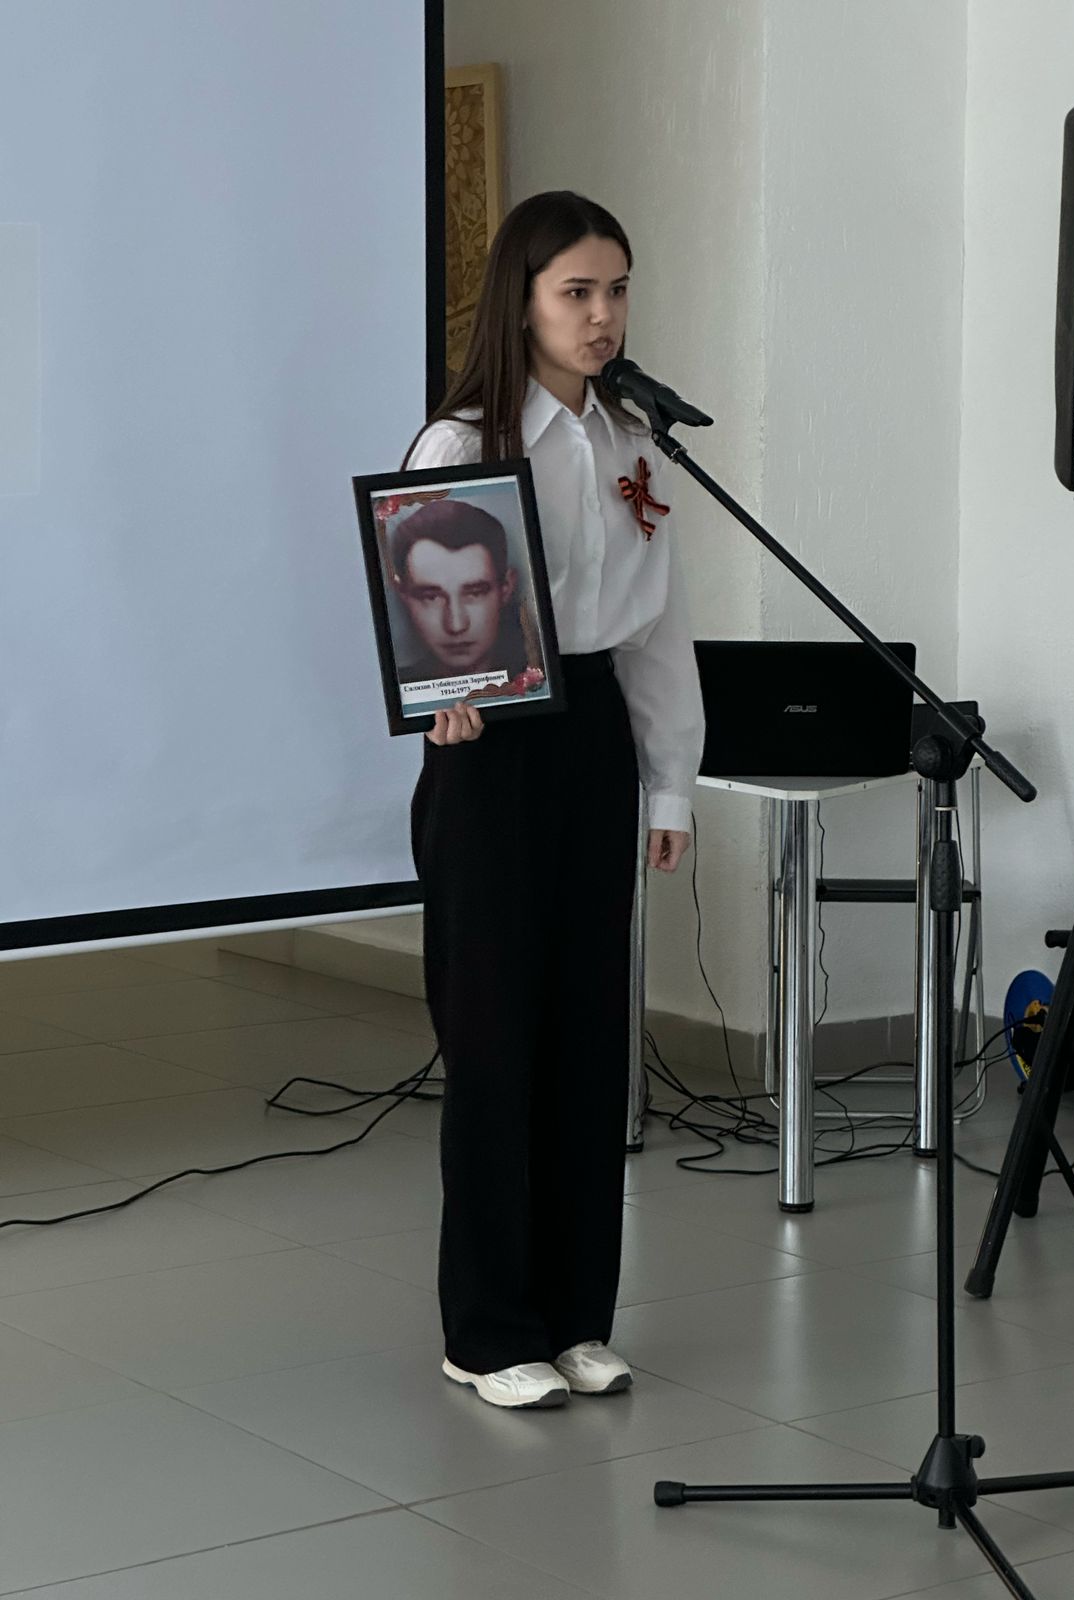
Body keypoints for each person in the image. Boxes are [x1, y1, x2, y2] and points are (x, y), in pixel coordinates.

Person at [404, 190, 705, 1410]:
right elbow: (423, 608)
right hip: (489, 752)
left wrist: (671, 781)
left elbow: (656, 628)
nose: (601, 314)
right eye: (576, 291)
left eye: (616, 289)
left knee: (587, 1036)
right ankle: (487, 1330)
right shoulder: (461, 443)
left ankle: (580, 1316)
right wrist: (444, 692)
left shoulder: (634, 441)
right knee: (495, 1040)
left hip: (591, 742)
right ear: (522, 301)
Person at [387, 498, 528, 687]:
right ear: (403, 594)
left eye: (475, 594)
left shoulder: (539, 679)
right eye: (431, 597)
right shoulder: (391, 690)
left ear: (506, 588)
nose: (456, 625)